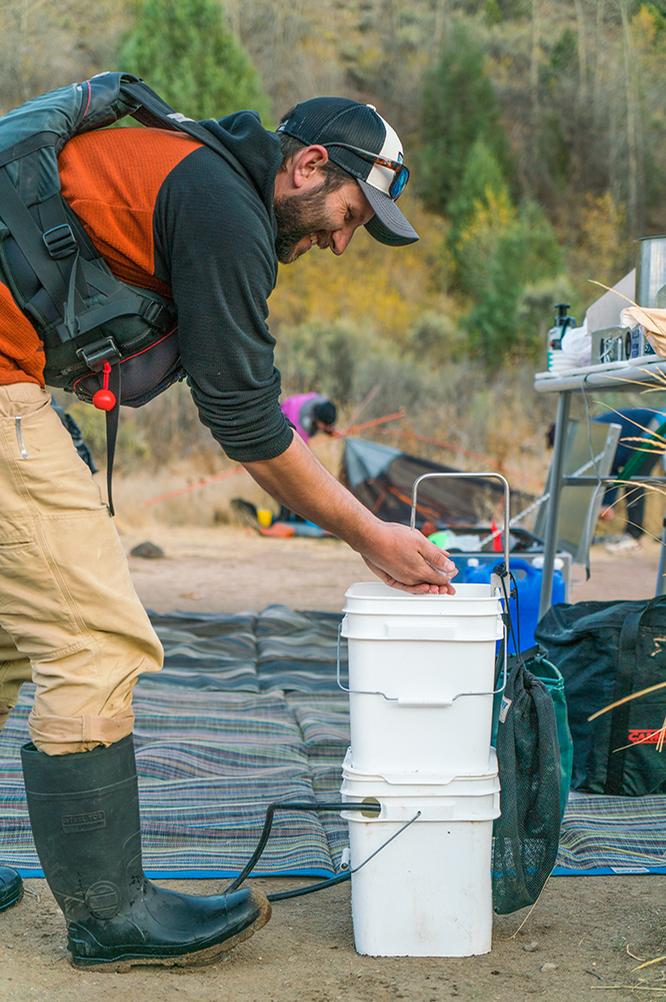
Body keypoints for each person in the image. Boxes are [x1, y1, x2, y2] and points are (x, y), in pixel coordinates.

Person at [0, 88, 457, 969]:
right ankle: (111, 919)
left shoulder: (191, 172)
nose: (341, 242)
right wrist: (371, 534)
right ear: (310, 165)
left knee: (10, 638)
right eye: (350, 216)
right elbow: (248, 423)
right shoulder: (220, 206)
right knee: (94, 642)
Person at [593, 408, 666, 550]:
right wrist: (607, 503)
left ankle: (634, 536)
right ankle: (634, 534)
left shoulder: (591, 434)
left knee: (634, 481)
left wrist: (607, 503)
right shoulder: (593, 431)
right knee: (633, 479)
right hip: (653, 427)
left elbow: (611, 467)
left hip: (658, 426)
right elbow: (611, 467)